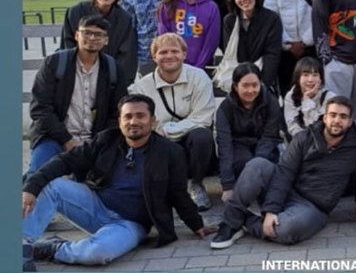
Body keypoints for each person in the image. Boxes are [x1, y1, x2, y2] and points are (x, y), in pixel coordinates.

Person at [22, 95, 216, 270]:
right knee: (51, 186)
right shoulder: (107, 139)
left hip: (129, 224)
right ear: (120, 121)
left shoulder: (170, 152)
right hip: (95, 206)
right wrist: (31, 188)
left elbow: (178, 193)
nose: (134, 122)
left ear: (153, 121)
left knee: (98, 254)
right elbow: (66, 161)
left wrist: (196, 225)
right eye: (128, 116)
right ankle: (21, 246)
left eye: (140, 116)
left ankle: (54, 248)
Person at [210, 96, 356, 249]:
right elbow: (285, 173)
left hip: (313, 207)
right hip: (287, 191)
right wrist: (271, 210)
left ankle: (245, 220)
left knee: (286, 229)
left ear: (350, 122)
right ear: (325, 117)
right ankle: (230, 224)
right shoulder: (304, 138)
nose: (337, 120)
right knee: (257, 165)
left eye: (343, 117)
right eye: (333, 115)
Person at [26, 15, 126, 179]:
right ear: (76, 35)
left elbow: (117, 114)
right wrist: (67, 140)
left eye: (98, 34)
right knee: (36, 178)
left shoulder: (114, 70)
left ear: (106, 40)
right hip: (54, 137)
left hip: (94, 141)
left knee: (104, 182)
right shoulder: (55, 63)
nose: (92, 38)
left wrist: (98, 143)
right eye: (87, 33)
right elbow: (40, 109)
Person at [128, 33, 216, 211]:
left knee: (202, 136)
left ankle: (196, 185)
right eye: (163, 52)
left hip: (190, 144)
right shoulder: (142, 86)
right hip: (160, 143)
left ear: (184, 54)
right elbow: (140, 120)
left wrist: (168, 130)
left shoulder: (199, 78)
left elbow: (203, 117)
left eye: (175, 51)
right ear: (154, 57)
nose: (169, 56)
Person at [214, 63, 282, 204]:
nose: (250, 90)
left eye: (255, 85)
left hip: (264, 146)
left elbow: (270, 136)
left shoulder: (270, 101)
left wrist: (257, 165)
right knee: (243, 163)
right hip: (238, 146)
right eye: (245, 85)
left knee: (267, 167)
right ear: (235, 86)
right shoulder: (225, 108)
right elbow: (224, 146)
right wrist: (227, 185)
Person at [61, 0, 137, 87]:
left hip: (111, 78)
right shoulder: (76, 12)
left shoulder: (124, 18)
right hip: (78, 76)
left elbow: (127, 55)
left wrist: (118, 81)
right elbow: (67, 44)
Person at [220, 0, 282, 90]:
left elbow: (272, 54)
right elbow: (230, 52)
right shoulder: (230, 21)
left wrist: (263, 84)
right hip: (238, 78)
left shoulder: (271, 19)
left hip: (263, 77)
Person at [157, 0, 221, 69]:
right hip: (173, 67)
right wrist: (175, 64)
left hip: (201, 68)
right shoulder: (167, 6)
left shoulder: (211, 7)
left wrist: (198, 67)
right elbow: (164, 39)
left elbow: (211, 42)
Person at [283, 56, 336, 138]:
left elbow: (318, 128)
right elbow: (292, 127)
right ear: (298, 78)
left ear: (320, 79)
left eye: (315, 75)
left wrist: (307, 101)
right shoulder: (290, 96)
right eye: (305, 75)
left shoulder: (329, 97)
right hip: (300, 142)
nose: (310, 80)